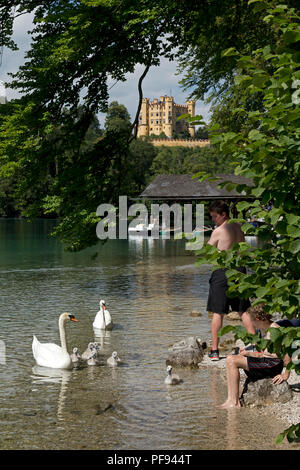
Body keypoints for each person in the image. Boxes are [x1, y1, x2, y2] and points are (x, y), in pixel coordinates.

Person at [206, 200, 255, 360]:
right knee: (243, 309)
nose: (213, 219)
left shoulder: (219, 231)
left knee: (218, 312)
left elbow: (207, 251)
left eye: (214, 216)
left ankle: (214, 351)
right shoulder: (239, 227)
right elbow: (243, 248)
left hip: (222, 272)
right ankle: (255, 344)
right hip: (239, 270)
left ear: (223, 214)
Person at [219, 305, 291, 408]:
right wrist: (248, 354)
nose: (251, 324)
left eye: (251, 321)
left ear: (257, 319)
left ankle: (234, 402)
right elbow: (264, 354)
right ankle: (230, 399)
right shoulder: (264, 330)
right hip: (266, 363)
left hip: (272, 366)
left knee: (231, 360)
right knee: (231, 358)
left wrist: (285, 375)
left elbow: (288, 352)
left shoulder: (275, 329)